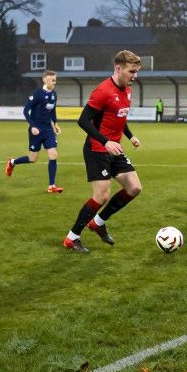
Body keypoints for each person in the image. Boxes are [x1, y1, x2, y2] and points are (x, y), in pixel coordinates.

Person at [63, 50, 144, 253]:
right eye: (131, 71)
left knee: (134, 187)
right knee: (101, 196)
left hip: (114, 148)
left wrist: (130, 135)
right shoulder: (103, 91)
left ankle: (98, 222)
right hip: (97, 148)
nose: (135, 76)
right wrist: (105, 141)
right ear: (118, 68)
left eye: (136, 72)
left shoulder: (127, 89)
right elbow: (83, 120)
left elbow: (119, 117)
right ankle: (72, 238)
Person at [5, 69, 64, 193]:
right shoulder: (37, 94)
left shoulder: (54, 94)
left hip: (48, 130)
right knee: (33, 159)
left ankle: (51, 186)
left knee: (53, 155)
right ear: (44, 80)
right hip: (36, 130)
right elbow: (26, 111)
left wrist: (55, 124)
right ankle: (12, 162)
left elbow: (52, 111)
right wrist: (32, 126)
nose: (54, 83)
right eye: (52, 80)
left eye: (55, 80)